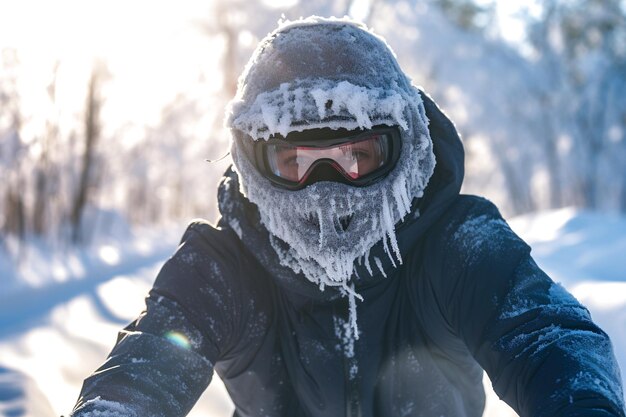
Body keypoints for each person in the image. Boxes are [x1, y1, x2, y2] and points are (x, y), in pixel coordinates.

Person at [70, 16, 626, 417]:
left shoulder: (457, 244)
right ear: (253, 164)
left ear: (402, 149)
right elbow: (144, 368)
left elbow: (546, 335)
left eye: (357, 157)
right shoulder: (223, 269)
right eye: (297, 162)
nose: (328, 190)